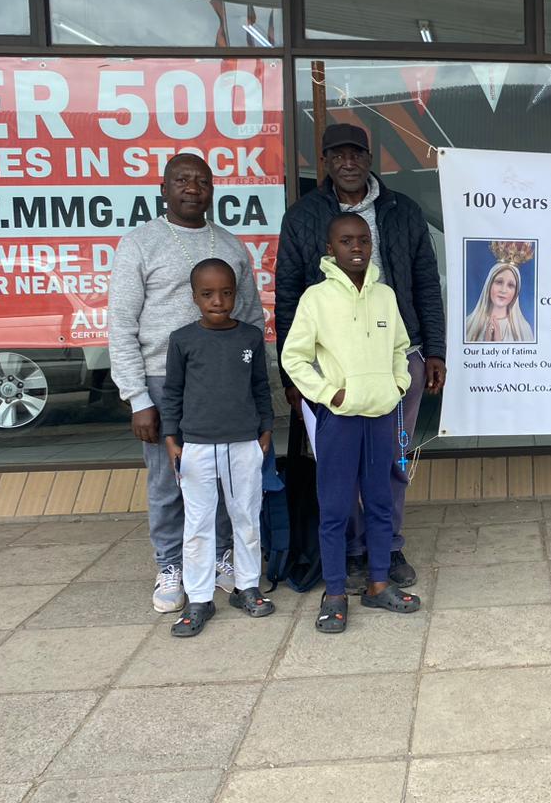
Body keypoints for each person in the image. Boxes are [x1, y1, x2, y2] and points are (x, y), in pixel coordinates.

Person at [276, 123, 446, 593]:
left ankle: (387, 547)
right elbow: (288, 294)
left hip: (399, 358)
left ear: (370, 159)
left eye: (356, 154)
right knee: (340, 466)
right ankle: (351, 552)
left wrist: (434, 350)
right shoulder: (304, 215)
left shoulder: (401, 210)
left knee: (391, 460)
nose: (347, 162)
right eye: (337, 155)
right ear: (325, 162)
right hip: (335, 370)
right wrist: (294, 378)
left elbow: (426, 281)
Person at [109, 153, 265, 613]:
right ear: (164, 188)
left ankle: (219, 557)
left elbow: (252, 318)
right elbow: (121, 324)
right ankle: (171, 565)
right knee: (169, 481)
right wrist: (138, 397)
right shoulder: (140, 243)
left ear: (213, 189)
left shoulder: (230, 245)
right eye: (182, 180)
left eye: (202, 181)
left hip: (226, 383)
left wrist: (257, 395)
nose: (192, 188)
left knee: (225, 478)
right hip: (163, 382)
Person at [282, 213, 421, 633]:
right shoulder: (316, 299)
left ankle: (378, 584)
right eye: (346, 241)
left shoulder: (384, 296)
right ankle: (336, 593)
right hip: (340, 420)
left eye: (363, 240)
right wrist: (330, 394)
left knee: (380, 503)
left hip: (380, 416)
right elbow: (294, 357)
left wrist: (397, 384)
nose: (356, 247)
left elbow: (399, 347)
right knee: (336, 508)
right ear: (331, 249)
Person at [161, 259, 275, 637]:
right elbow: (172, 392)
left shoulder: (249, 337)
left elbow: (260, 386)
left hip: (244, 442)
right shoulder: (183, 340)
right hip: (196, 444)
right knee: (198, 523)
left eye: (226, 293)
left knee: (247, 516)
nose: (218, 301)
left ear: (236, 294)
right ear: (194, 297)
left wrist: (265, 429)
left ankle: (247, 587)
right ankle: (198, 598)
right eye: (208, 294)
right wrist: (171, 438)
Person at [463, 241, 535, 343]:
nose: (503, 290)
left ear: (516, 292)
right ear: (489, 284)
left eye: (510, 285)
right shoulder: (468, 324)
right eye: (499, 282)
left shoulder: (523, 329)